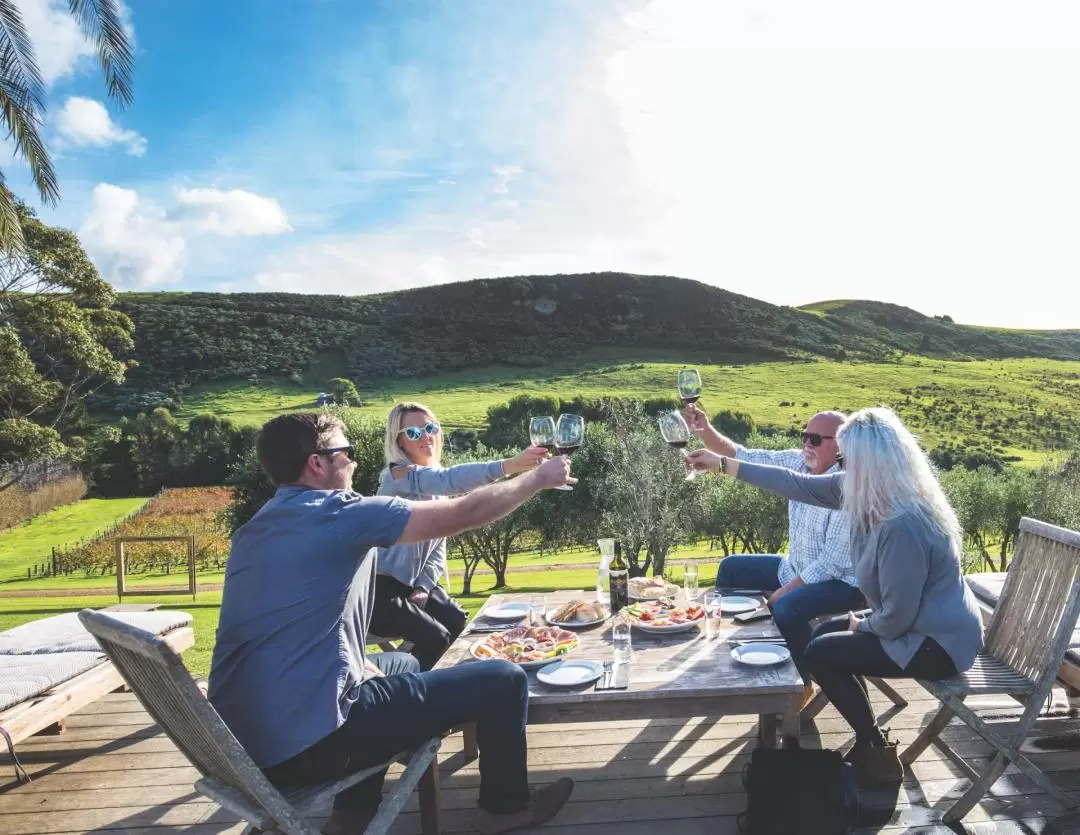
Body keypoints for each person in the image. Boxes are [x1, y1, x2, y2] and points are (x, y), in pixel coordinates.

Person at [208, 413, 576, 834]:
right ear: (316, 464)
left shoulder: (255, 530)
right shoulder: (336, 513)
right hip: (313, 746)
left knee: (400, 666)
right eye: (345, 453)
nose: (354, 462)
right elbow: (464, 512)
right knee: (505, 679)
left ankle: (353, 813)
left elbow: (278, 627)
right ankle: (505, 809)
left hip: (241, 747)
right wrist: (536, 479)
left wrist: (353, 660)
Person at [686, 407, 983, 785]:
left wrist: (861, 623)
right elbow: (793, 483)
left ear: (872, 461)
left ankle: (874, 748)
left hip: (936, 643)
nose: (842, 465)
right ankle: (871, 738)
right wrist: (722, 464)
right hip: (911, 626)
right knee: (824, 639)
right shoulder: (860, 491)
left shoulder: (903, 523)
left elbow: (896, 618)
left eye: (848, 458)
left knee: (821, 652)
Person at [684, 404, 863, 706]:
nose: (807, 444)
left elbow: (830, 564)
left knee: (788, 607)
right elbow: (742, 455)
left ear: (842, 446)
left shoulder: (847, 487)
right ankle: (737, 648)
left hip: (843, 584)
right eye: (805, 436)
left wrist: (782, 592)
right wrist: (703, 429)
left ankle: (801, 683)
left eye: (816, 440)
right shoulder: (798, 463)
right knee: (731, 569)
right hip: (796, 567)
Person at [371, 402, 548, 669]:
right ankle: (405, 695)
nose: (426, 436)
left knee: (456, 621)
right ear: (400, 442)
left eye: (430, 428)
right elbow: (448, 478)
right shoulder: (397, 476)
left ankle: (421, 679)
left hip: (412, 584)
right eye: (415, 433)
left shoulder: (436, 487)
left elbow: (437, 548)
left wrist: (423, 586)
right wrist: (513, 465)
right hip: (378, 589)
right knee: (435, 637)